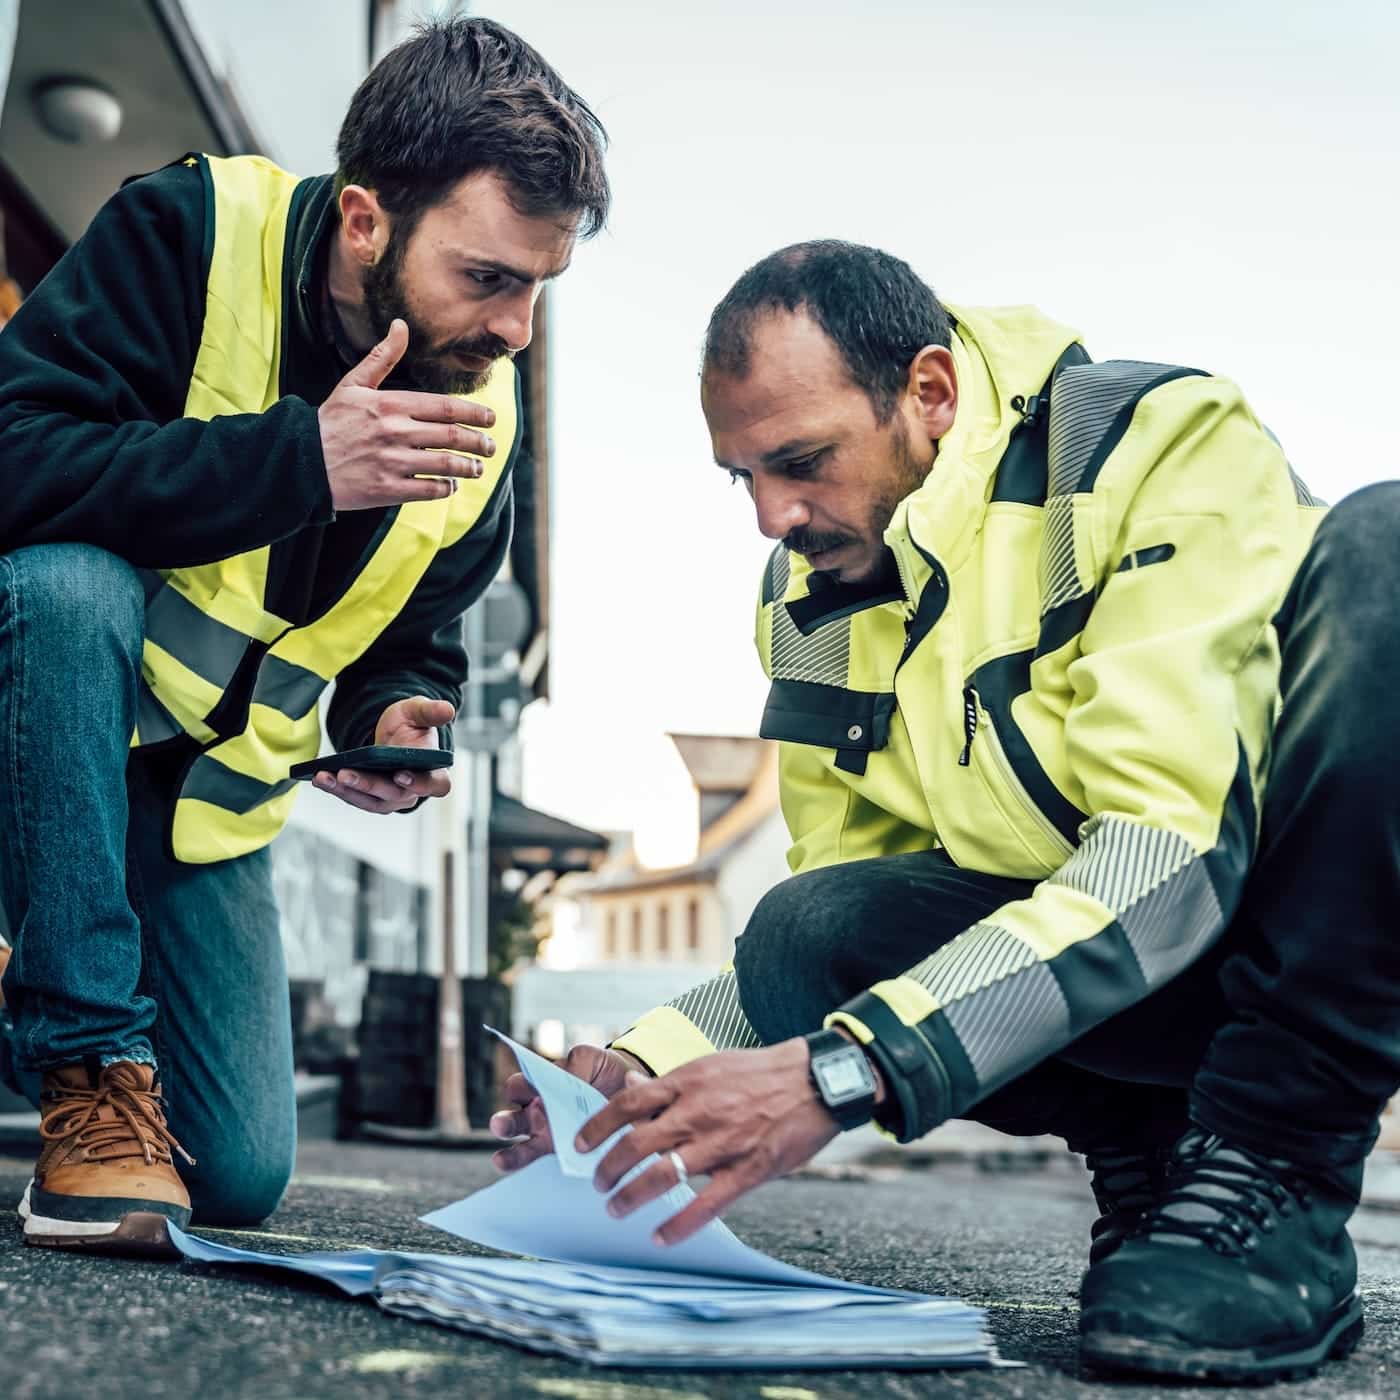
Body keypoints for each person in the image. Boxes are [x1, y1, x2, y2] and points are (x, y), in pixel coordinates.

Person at [491, 240, 1400, 1384]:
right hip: (1134, 983)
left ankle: (1270, 1173)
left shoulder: (1147, 441)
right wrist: (640, 1067)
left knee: (1386, 549)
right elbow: (839, 929)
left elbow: (1168, 855)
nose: (771, 516)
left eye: (801, 460)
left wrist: (846, 1070)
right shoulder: (817, 591)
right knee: (806, 927)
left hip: (1291, 934)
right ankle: (1151, 1153)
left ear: (926, 392)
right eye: (744, 477)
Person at [0, 16, 608, 1254]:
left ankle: (66, 1013)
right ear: (368, 219)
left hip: (193, 804)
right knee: (61, 585)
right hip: (39, 715)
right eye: (488, 277)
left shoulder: (477, 415)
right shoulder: (186, 234)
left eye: (538, 287)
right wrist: (297, 459)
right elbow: (15, 461)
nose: (516, 332)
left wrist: (388, 709)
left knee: (232, 1173)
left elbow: (415, 628)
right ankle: (81, 1066)